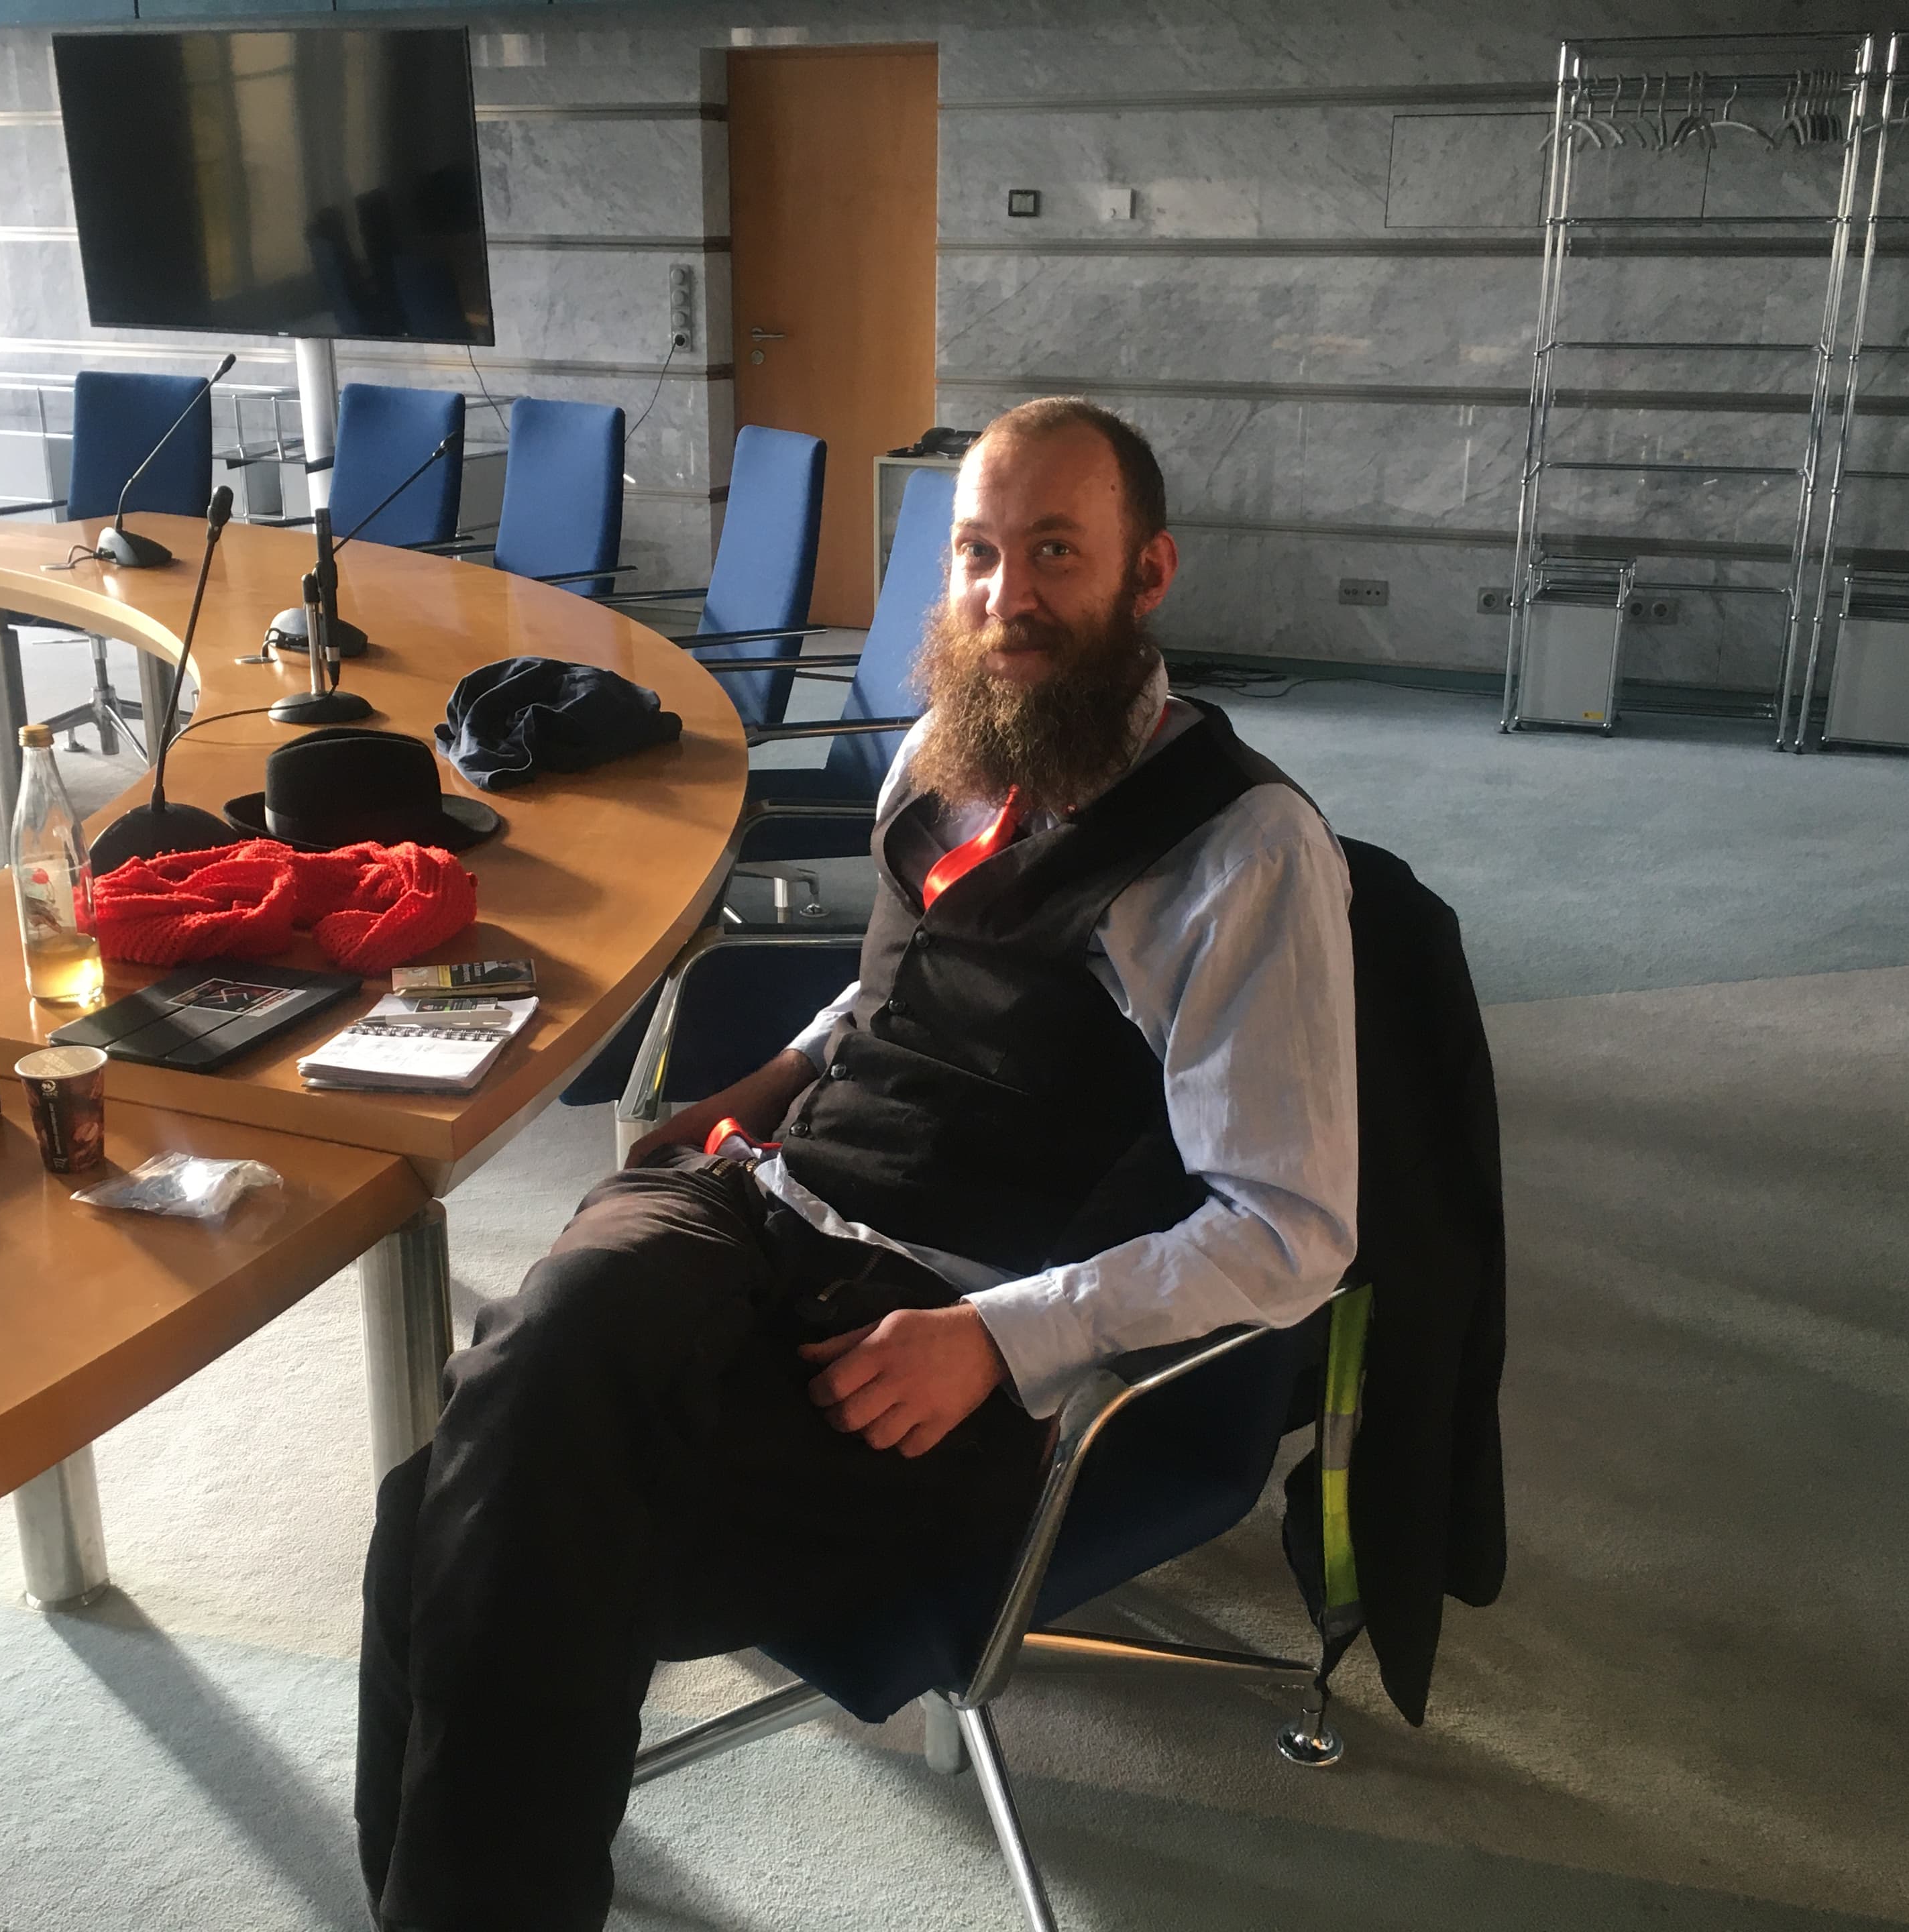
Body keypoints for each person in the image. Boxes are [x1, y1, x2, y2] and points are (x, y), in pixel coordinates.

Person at [358, 396, 1360, 1931]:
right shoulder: (948, 759)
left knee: (459, 1517)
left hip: (922, 1337)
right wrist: (750, 1088)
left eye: (1053, 555)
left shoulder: (1240, 854)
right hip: (751, 1205)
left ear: (1145, 575)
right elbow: (886, 990)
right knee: (534, 1396)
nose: (1004, 598)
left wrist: (996, 1340)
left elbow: (1295, 1232)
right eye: (975, 554)